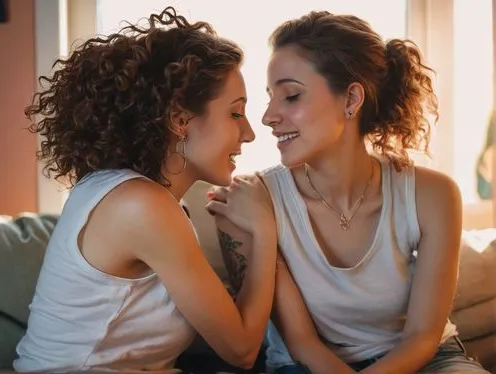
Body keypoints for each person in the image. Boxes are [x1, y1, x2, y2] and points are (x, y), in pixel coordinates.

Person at [210, 10, 490, 374]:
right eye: (270, 98)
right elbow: (303, 344)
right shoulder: (250, 200)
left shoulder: (433, 195)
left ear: (352, 99)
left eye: (291, 96)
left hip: (426, 361)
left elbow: (423, 336)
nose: (268, 117)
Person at [14, 7, 277, 373]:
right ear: (179, 119)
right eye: (235, 113)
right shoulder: (142, 206)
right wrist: (265, 229)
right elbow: (242, 350)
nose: (248, 133)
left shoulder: (128, 192)